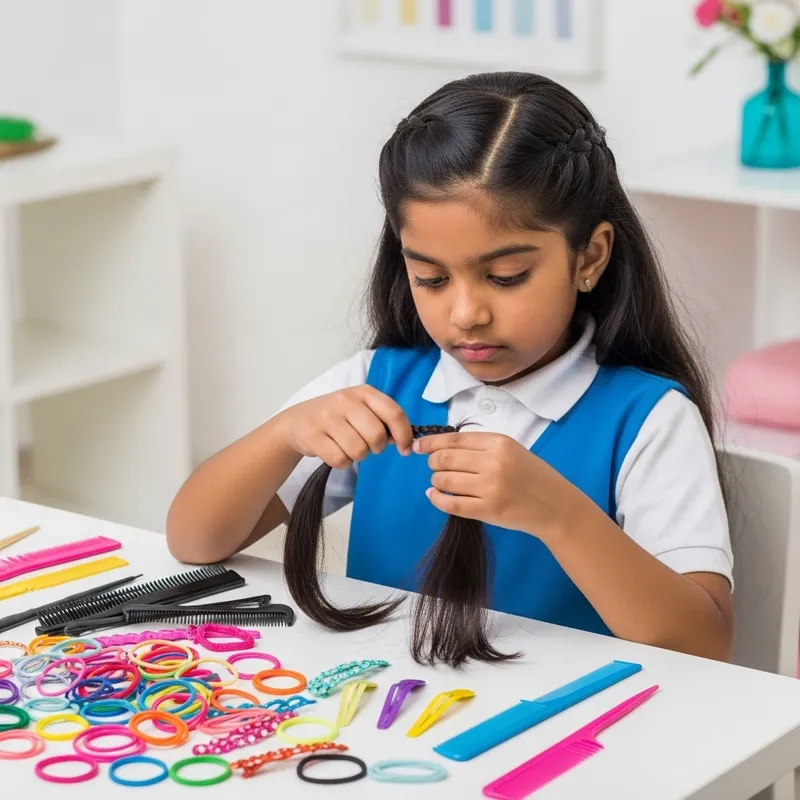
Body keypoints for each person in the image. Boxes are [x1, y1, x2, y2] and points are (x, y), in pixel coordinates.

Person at [166, 72, 733, 661]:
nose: (465, 313)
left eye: (506, 277)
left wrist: (558, 515)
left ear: (589, 257)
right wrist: (283, 435)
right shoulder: (378, 383)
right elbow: (193, 539)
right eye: (431, 279)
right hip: (384, 717)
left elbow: (705, 641)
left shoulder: (646, 419)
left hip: (571, 734)